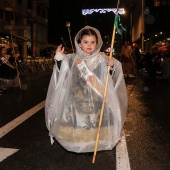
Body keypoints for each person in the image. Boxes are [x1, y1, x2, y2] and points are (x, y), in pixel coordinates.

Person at [45, 26, 128, 154]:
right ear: (79, 43)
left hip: (96, 99)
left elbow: (107, 78)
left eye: (92, 42)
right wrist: (59, 57)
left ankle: (91, 145)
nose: (89, 45)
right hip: (77, 98)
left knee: (94, 122)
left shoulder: (102, 58)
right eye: (86, 42)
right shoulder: (73, 58)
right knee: (78, 122)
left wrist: (111, 67)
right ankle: (80, 144)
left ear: (97, 43)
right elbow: (62, 72)